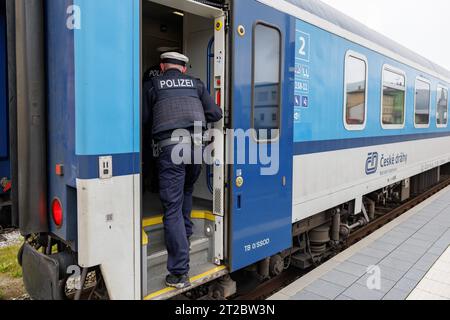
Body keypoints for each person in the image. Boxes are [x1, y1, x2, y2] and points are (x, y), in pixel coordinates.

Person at [143, 52, 223, 289]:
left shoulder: (153, 85)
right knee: (187, 191)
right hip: (196, 150)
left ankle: (179, 273)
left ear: (162, 66)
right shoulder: (196, 85)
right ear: (184, 69)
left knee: (172, 207)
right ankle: (185, 233)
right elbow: (216, 113)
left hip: (171, 150)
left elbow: (144, 119)